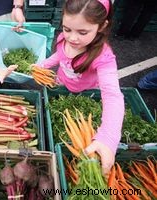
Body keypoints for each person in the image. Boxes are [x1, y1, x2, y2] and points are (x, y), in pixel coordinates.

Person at [35, 0, 124, 175]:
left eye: (83, 32)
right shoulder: (63, 39)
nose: (73, 38)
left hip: (86, 93)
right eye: (67, 29)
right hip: (61, 83)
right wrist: (41, 66)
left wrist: (108, 137)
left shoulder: (103, 57)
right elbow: (59, 56)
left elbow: (112, 95)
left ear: (102, 26)